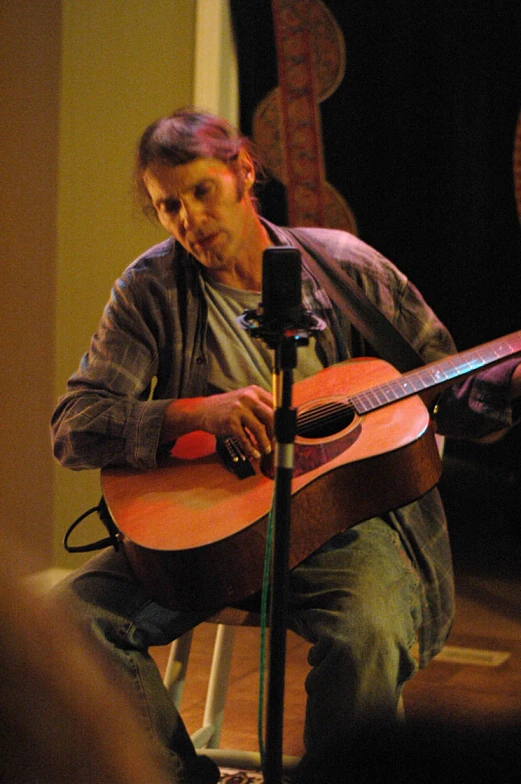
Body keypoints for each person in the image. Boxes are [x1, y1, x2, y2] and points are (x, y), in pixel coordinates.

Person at [50, 106, 521, 783]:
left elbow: (448, 400)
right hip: (203, 530)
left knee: (367, 634)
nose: (187, 221)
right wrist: (194, 414)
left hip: (343, 522)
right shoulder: (150, 288)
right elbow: (75, 425)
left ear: (244, 172)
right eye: (166, 207)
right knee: (74, 622)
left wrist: (499, 388)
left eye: (200, 193)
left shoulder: (345, 269)